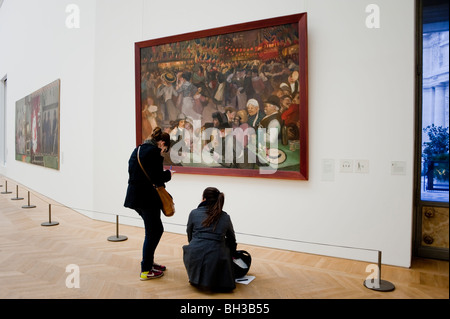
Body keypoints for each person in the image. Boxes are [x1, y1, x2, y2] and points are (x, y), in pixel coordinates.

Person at [124, 127, 175, 280]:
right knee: (154, 231)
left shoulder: (138, 150)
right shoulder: (153, 152)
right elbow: (158, 178)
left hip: (135, 197)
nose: (164, 151)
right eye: (165, 149)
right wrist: (169, 174)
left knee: (154, 230)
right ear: (162, 143)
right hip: (147, 199)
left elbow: (133, 172)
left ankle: (149, 263)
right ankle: (146, 269)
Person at [183, 187, 237, 292]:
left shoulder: (194, 213)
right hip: (217, 257)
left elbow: (189, 235)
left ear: (203, 199)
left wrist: (195, 245)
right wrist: (232, 254)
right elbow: (232, 240)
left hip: (194, 254)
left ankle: (196, 277)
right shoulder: (225, 217)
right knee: (224, 246)